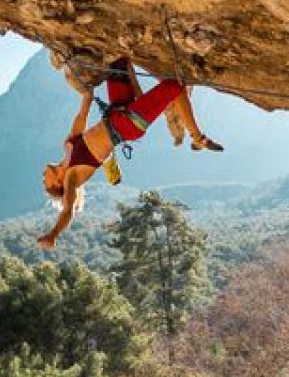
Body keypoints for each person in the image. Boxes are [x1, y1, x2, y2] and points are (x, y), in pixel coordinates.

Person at [38, 57, 220, 248]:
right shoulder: (73, 177)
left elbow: (82, 114)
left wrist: (87, 92)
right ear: (58, 182)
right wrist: (53, 234)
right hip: (128, 125)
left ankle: (140, 95)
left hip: (117, 109)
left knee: (118, 62)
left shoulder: (68, 144)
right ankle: (198, 138)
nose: (43, 178)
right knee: (175, 86)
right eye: (45, 183)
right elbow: (68, 210)